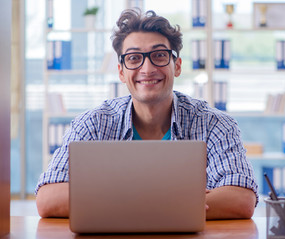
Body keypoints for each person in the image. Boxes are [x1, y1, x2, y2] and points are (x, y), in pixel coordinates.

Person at [36, 9, 258, 219]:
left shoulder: (215, 123)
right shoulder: (92, 124)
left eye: (159, 55)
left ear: (177, 66)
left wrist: (114, 204)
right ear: (121, 72)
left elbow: (241, 198)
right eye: (134, 58)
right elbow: (48, 199)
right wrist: (170, 206)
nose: (147, 68)